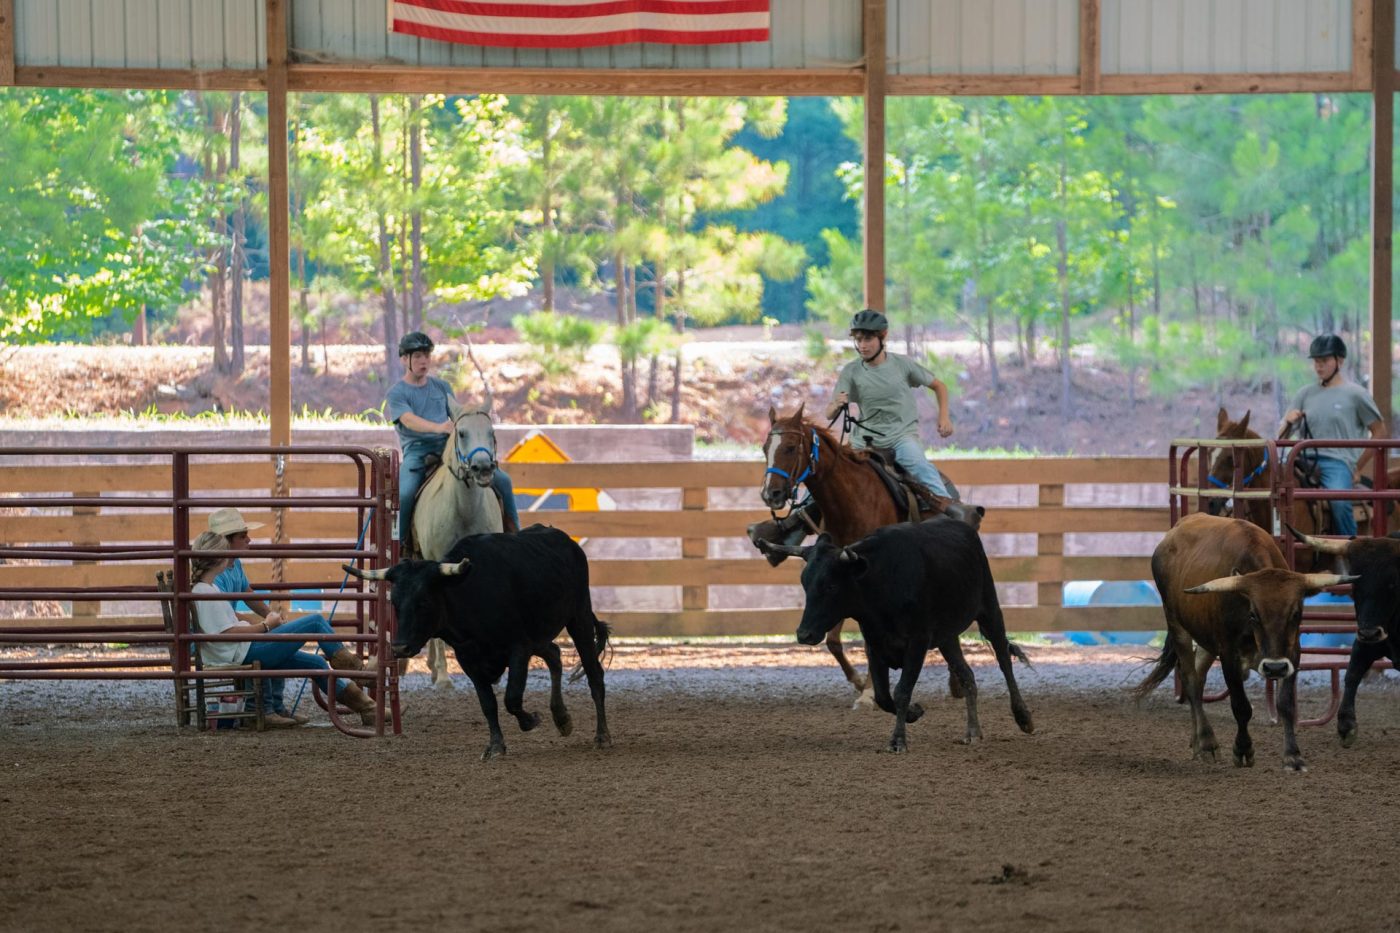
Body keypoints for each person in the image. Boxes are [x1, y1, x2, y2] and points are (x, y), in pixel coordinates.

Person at [190, 531, 380, 728]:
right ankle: (359, 672)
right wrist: (266, 626)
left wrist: (264, 626)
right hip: (243, 651)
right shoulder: (206, 592)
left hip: (242, 648)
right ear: (218, 558)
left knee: (316, 662)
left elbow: (225, 629)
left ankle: (369, 709)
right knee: (315, 622)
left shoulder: (208, 589)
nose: (230, 556)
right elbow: (226, 634)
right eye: (225, 552)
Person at [386, 331, 520, 554]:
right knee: (405, 494)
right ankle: (398, 548)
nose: (423, 361)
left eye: (426, 356)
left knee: (504, 481)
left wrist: (471, 418)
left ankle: (515, 537)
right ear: (404, 359)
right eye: (417, 356)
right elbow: (408, 420)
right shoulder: (397, 393)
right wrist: (438, 427)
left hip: (449, 449)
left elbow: (457, 415)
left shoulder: (442, 387)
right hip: (418, 454)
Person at [823, 308, 954, 499]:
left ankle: (949, 509)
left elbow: (939, 386)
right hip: (862, 441)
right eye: (858, 340)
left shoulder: (902, 364)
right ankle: (800, 512)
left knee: (921, 469)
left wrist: (944, 417)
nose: (862, 346)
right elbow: (829, 414)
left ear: (883, 336)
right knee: (828, 472)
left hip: (900, 438)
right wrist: (836, 405)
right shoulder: (850, 371)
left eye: (868, 339)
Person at [1280, 334, 1386, 537]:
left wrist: (1357, 466)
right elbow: (1281, 436)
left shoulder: (1356, 394)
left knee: (1338, 501)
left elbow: (1380, 432)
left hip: (1337, 462)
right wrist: (1288, 421)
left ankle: (1349, 547)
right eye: (1316, 361)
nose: (1319, 366)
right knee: (1274, 492)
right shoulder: (1304, 394)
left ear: (1340, 361)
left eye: (1325, 360)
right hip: (1301, 458)